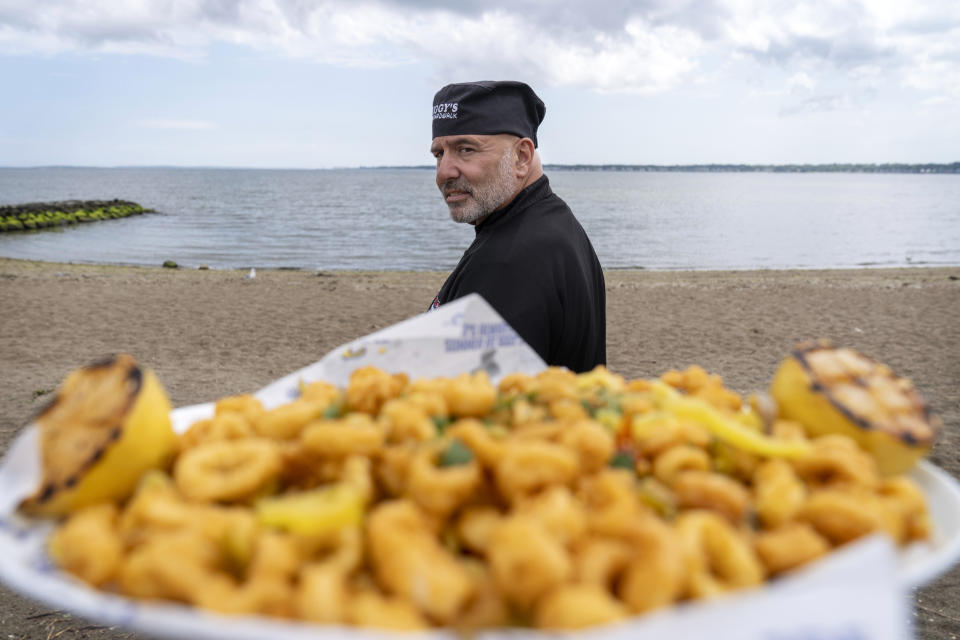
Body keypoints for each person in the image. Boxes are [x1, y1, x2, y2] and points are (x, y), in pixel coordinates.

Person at [428, 80, 606, 373]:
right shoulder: (555, 222)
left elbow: (478, 404)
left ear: (521, 157)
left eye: (466, 149)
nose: (444, 172)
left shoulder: (510, 261)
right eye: (439, 154)